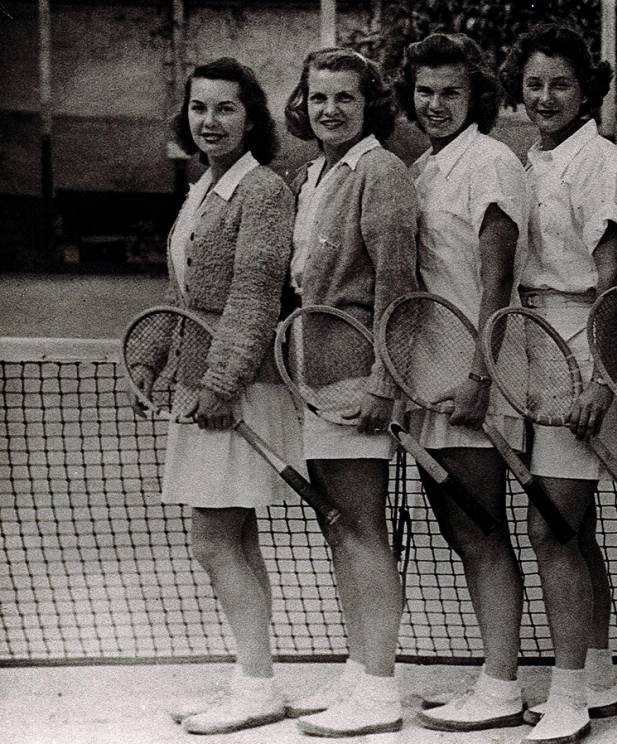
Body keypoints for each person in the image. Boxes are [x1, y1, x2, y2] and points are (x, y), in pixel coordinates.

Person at [130, 57, 296, 735]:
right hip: (204, 391)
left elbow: (255, 299)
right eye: (200, 108)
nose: (211, 121)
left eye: (226, 108)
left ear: (251, 117)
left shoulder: (263, 191)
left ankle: (255, 685)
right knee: (234, 539)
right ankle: (254, 681)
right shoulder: (204, 187)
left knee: (212, 542)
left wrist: (221, 384)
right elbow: (185, 297)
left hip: (238, 393)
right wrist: (149, 359)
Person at [499, 24, 617, 744]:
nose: (545, 97)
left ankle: (566, 699)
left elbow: (615, 283)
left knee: (550, 527)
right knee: (572, 532)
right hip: (533, 348)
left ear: (587, 89)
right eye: (533, 84)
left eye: (559, 84)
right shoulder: (530, 160)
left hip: (584, 352)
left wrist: (601, 384)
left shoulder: (605, 165)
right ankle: (598, 678)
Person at [280, 47, 419, 737]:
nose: (329, 109)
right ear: (302, 103)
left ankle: (383, 689)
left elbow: (398, 285)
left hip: (358, 382)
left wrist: (384, 382)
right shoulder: (313, 174)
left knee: (363, 531)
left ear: (369, 105)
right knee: (341, 531)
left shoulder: (382, 171)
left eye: (345, 97)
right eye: (319, 97)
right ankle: (359, 673)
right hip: (313, 380)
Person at [394, 32, 530, 734]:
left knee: (480, 528)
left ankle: (503, 686)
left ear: (476, 94)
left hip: (478, 373)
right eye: (425, 91)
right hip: (427, 374)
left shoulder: (492, 162)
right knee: (460, 528)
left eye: (451, 91)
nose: (436, 103)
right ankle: (493, 676)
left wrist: (481, 374)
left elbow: (499, 280)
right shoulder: (424, 166)